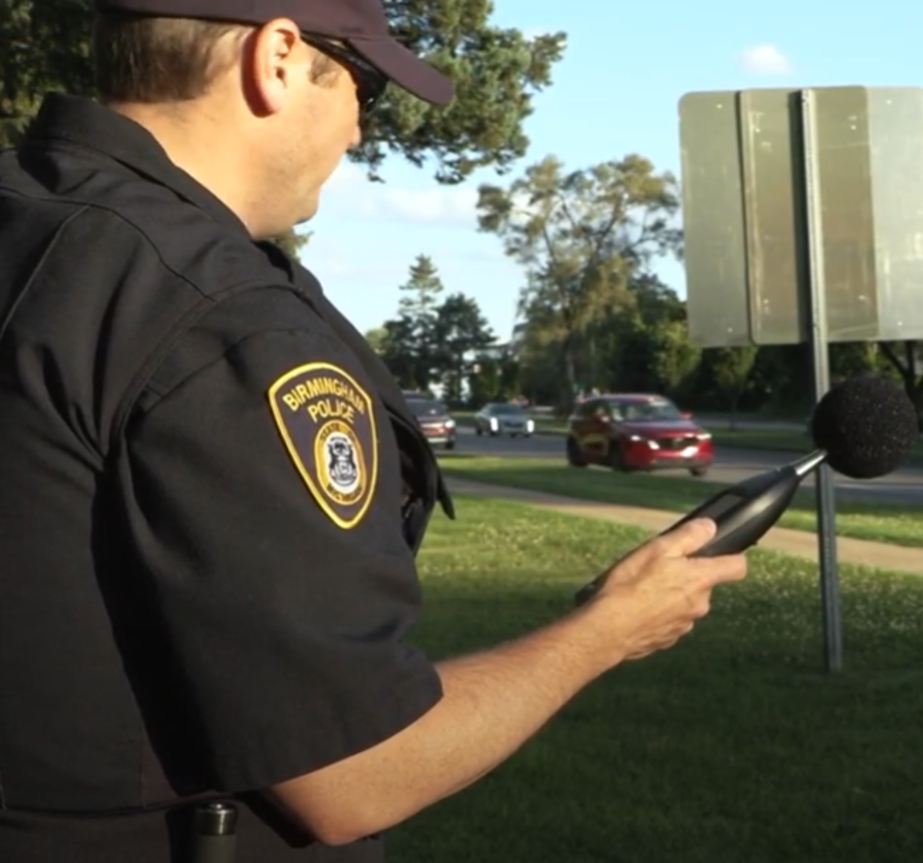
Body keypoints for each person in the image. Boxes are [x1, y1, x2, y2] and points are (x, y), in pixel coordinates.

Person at [0, 1, 748, 861]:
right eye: (362, 84)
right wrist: (606, 631)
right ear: (276, 57)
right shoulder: (222, 325)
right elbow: (352, 771)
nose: (358, 129)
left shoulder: (34, 221)